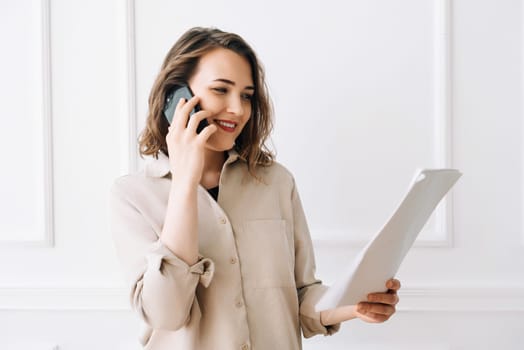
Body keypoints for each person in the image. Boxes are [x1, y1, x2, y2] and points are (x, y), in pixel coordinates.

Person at [110, 27, 401, 350]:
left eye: (246, 95)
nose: (238, 109)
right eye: (221, 90)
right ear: (177, 97)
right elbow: (166, 314)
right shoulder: (133, 196)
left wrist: (355, 304)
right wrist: (183, 183)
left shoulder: (277, 183)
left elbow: (299, 295)